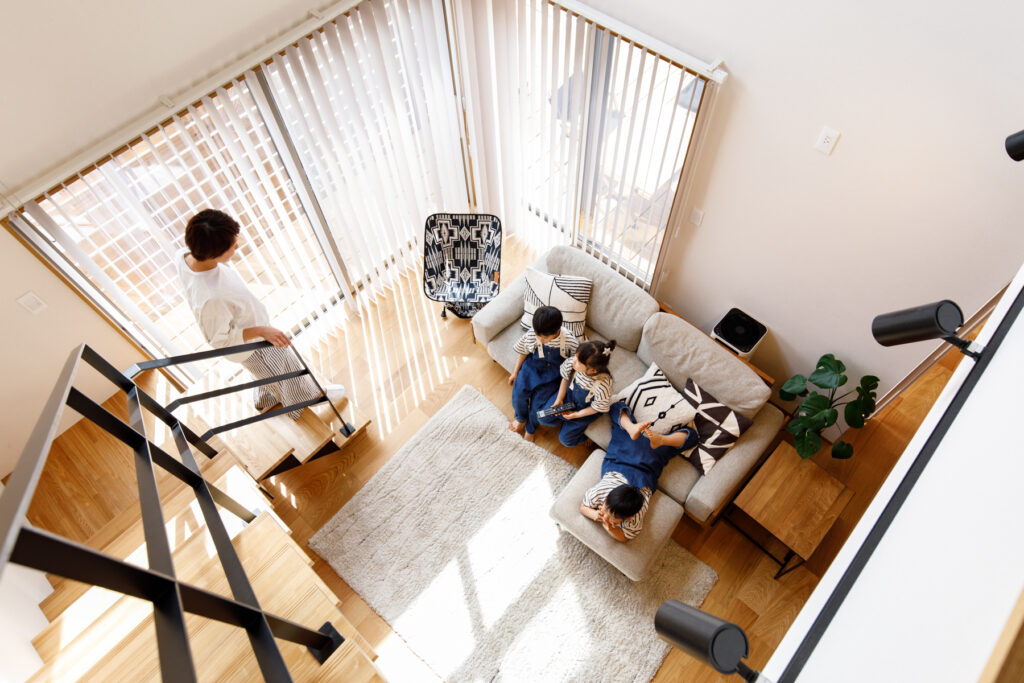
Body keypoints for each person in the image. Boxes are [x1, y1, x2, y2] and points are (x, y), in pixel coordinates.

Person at [176, 209, 344, 419]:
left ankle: (266, 399)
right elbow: (219, 341)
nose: (238, 246)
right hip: (252, 346)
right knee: (287, 370)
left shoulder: (184, 256)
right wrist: (262, 331)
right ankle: (312, 397)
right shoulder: (210, 297)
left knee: (268, 373)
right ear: (213, 254)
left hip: (251, 326)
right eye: (232, 246)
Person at [579, 401, 698, 542]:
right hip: (650, 459)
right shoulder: (624, 509)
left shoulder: (602, 494)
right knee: (692, 438)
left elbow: (584, 507)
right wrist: (603, 522)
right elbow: (624, 537)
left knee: (616, 408)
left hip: (624, 455)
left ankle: (634, 429)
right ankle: (657, 438)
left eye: (608, 515)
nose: (605, 517)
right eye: (605, 510)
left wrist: (604, 522)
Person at [508, 305, 579, 442]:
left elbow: (575, 362)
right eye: (537, 335)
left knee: (538, 404)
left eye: (545, 338)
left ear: (556, 331)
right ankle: (520, 418)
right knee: (518, 393)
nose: (540, 340)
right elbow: (523, 351)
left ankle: (531, 428)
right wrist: (515, 372)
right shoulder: (532, 334)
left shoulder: (569, 340)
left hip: (553, 375)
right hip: (532, 367)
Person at [537, 339, 617, 447]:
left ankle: (583, 437)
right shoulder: (572, 364)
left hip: (585, 410)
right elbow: (565, 379)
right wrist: (559, 399)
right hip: (569, 397)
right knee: (542, 417)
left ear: (593, 370)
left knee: (566, 440)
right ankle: (562, 421)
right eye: (576, 355)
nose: (574, 360)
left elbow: (596, 408)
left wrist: (576, 415)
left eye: (579, 361)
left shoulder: (603, 385)